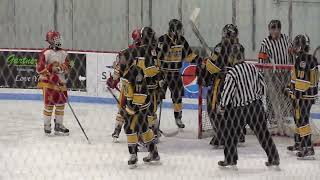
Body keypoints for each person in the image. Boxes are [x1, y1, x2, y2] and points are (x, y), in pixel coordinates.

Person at [217, 44, 280, 167]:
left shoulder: (232, 73)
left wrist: (222, 106)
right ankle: (274, 157)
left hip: (239, 110)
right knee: (263, 134)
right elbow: (262, 87)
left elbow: (228, 91)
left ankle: (230, 159)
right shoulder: (253, 68)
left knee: (230, 134)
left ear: (231, 56)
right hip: (256, 107)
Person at [197, 24, 246, 147]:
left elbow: (213, 68)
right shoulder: (240, 47)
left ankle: (221, 134)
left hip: (222, 84)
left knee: (213, 107)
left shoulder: (220, 47)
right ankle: (237, 133)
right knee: (235, 108)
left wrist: (205, 63)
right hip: (238, 84)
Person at [118, 28, 160, 167]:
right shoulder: (126, 70)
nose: (120, 61)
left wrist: (131, 108)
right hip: (134, 103)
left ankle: (133, 155)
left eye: (122, 59)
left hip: (139, 105)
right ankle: (153, 152)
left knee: (130, 128)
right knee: (143, 128)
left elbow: (140, 93)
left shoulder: (136, 72)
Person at [157, 19, 199, 128]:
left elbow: (188, 55)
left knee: (178, 97)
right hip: (163, 73)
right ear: (174, 30)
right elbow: (156, 58)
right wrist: (159, 74)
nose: (181, 31)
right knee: (156, 97)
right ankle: (152, 119)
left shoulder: (182, 40)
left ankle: (178, 118)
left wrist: (199, 60)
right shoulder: (163, 40)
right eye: (179, 29)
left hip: (175, 74)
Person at [285, 34, 318, 158]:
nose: (294, 47)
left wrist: (293, 94)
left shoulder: (303, 60)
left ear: (300, 47)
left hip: (304, 96)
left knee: (302, 120)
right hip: (307, 94)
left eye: (296, 45)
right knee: (298, 118)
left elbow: (302, 82)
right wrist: (290, 87)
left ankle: (308, 147)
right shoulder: (306, 58)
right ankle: (299, 143)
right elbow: (297, 77)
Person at [108, 28, 142, 141]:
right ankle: (118, 129)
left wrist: (114, 80)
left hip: (130, 86)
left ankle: (118, 129)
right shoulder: (130, 52)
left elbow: (119, 69)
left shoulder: (126, 52)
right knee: (141, 108)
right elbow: (119, 68)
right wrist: (114, 80)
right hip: (139, 86)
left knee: (124, 107)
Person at [36, 30, 70, 136]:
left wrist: (61, 69)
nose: (59, 40)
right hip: (48, 83)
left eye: (59, 38)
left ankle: (59, 125)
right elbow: (39, 68)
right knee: (49, 105)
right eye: (56, 39)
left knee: (60, 105)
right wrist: (51, 71)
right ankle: (47, 125)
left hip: (61, 83)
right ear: (50, 40)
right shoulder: (45, 53)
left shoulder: (64, 53)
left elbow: (68, 66)